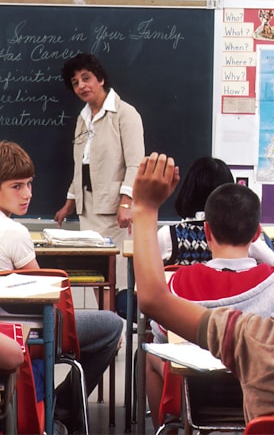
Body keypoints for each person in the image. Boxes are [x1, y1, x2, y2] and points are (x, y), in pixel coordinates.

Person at [132, 152, 274, 425]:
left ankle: (166, 428)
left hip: (189, 396)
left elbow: (157, 316)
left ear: (207, 231)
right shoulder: (266, 287)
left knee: (150, 354)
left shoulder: (181, 283)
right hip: (246, 401)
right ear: (256, 234)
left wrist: (145, 208)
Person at [0, 140, 123, 434]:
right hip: (28, 331)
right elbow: (44, 299)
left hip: (6, 332)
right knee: (113, 325)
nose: (27, 194)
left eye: (29, 184)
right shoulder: (14, 233)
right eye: (17, 186)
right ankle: (64, 405)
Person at [54, 53, 145, 289]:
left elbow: (136, 163)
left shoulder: (126, 114)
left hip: (116, 212)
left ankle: (122, 326)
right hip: (89, 211)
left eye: (86, 78)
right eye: (75, 83)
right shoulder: (83, 118)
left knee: (119, 280)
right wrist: (69, 202)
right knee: (98, 279)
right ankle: (107, 325)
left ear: (101, 79)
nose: (81, 86)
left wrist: (126, 203)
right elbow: (81, 164)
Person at [158, 156, 274, 266]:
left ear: (188, 190)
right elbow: (271, 261)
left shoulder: (169, 235)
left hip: (179, 286)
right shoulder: (241, 234)